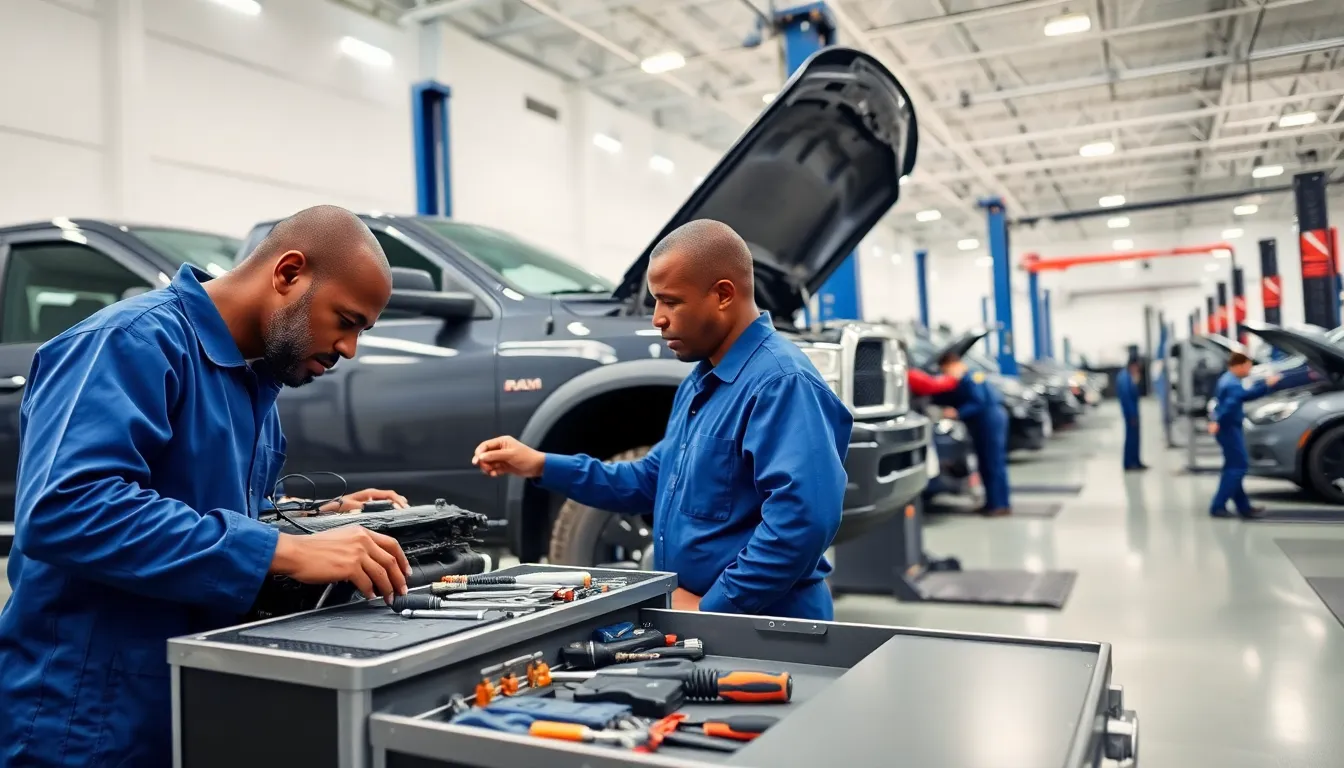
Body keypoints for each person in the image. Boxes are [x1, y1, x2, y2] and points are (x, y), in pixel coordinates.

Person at [0, 205, 415, 767]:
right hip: (84, 718)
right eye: (347, 320)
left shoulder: (254, 385)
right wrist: (287, 550)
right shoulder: (130, 343)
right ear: (288, 273)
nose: (349, 349)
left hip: (185, 699)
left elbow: (204, 507)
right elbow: (66, 509)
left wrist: (313, 519)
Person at [472, 219, 851, 620]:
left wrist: (715, 607)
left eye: (671, 301)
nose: (657, 318)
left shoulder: (781, 383)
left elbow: (802, 522)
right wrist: (541, 464)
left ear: (723, 295)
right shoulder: (701, 381)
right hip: (708, 621)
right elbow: (649, 480)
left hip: (768, 628)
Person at [932, 352, 1011, 516]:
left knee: (993, 463)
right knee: (986, 462)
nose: (946, 374)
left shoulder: (973, 377)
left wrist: (957, 413)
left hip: (990, 419)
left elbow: (978, 402)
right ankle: (994, 503)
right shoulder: (964, 379)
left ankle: (999, 505)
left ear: (953, 364)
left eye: (945, 370)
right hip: (983, 422)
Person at [1207, 351, 1281, 519]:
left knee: (1233, 467)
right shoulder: (1233, 383)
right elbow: (1236, 401)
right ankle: (1218, 506)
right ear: (1239, 365)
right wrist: (1267, 385)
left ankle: (1244, 507)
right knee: (1237, 467)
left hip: (1226, 428)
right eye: (1248, 366)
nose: (1249, 370)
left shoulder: (1226, 379)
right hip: (1229, 429)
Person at [1116, 358, 1147, 471]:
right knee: (1131, 439)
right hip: (1130, 413)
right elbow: (1127, 398)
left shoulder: (1128, 376)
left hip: (1133, 412)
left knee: (1135, 438)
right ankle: (1129, 463)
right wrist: (1132, 414)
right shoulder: (1125, 378)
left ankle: (1136, 461)